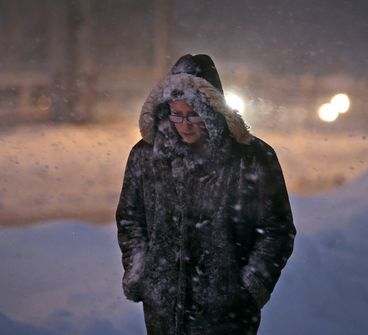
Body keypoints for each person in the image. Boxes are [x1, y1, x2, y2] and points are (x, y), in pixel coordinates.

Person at [116, 54, 296, 335]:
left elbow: (277, 229)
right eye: (176, 114)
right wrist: (140, 270)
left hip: (227, 313)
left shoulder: (252, 157)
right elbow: (130, 220)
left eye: (193, 114)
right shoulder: (145, 156)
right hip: (163, 309)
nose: (184, 124)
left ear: (212, 110)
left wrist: (249, 284)